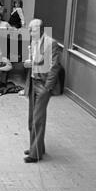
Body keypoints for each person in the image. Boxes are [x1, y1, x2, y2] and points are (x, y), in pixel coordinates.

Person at [23, 19, 61, 163]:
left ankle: (35, 154)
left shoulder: (51, 43)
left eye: (32, 30)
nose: (30, 32)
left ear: (39, 30)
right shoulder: (33, 43)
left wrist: (48, 88)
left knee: (38, 119)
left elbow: (54, 66)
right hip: (33, 82)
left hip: (43, 85)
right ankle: (37, 147)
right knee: (32, 118)